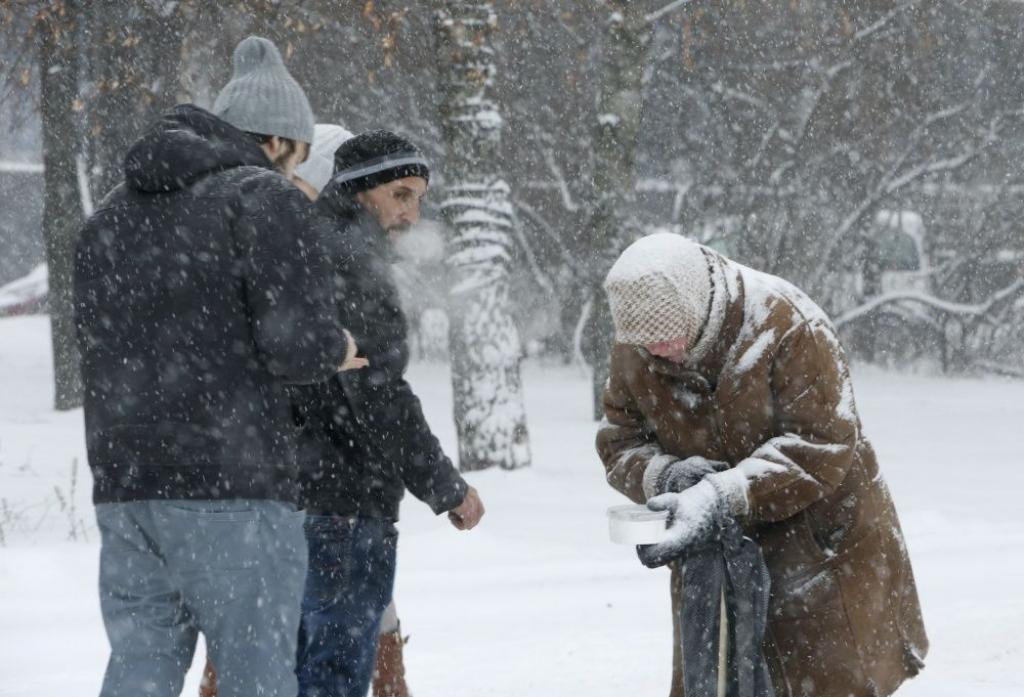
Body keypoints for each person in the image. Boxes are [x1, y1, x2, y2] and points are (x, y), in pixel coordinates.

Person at [75, 36, 363, 697]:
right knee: (256, 679)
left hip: (126, 488)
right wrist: (337, 346)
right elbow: (295, 346)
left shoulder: (109, 218)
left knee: (139, 674)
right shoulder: (262, 198)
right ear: (281, 141)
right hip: (233, 486)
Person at [596, 233, 928, 697]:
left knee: (821, 682)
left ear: (697, 303)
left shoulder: (790, 325)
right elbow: (620, 440)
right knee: (722, 678)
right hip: (716, 563)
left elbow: (824, 443)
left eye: (670, 334)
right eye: (646, 342)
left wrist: (722, 494)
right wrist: (668, 475)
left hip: (818, 545)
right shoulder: (638, 344)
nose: (659, 351)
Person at [291, 129, 485, 697]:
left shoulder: (305, 244)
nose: (411, 211)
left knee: (294, 664)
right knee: (335, 669)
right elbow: (378, 394)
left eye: (419, 198)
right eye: (401, 194)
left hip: (292, 494)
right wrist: (446, 487)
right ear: (359, 190)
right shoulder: (350, 258)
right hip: (343, 500)